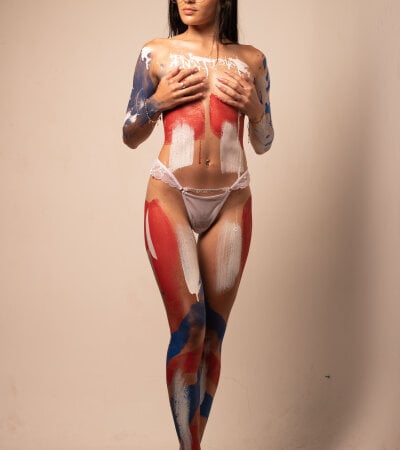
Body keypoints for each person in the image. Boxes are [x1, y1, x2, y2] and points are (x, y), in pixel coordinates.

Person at [122, 0, 274, 448]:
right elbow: (129, 134)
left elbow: (264, 142)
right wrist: (156, 103)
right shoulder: (156, 53)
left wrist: (256, 110)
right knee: (190, 326)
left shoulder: (252, 60)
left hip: (232, 198)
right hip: (171, 191)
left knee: (213, 337)